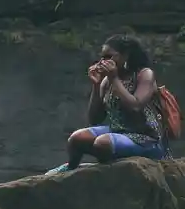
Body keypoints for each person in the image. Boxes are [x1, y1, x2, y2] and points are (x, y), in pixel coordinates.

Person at [47, 34, 169, 174]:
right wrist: (96, 84)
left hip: (146, 138)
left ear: (126, 56)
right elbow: (94, 119)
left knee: (102, 143)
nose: (103, 62)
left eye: (109, 57)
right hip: (118, 131)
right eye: (102, 57)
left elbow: (135, 106)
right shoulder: (107, 81)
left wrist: (114, 79)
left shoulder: (144, 75)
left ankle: (111, 168)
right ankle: (71, 168)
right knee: (77, 138)